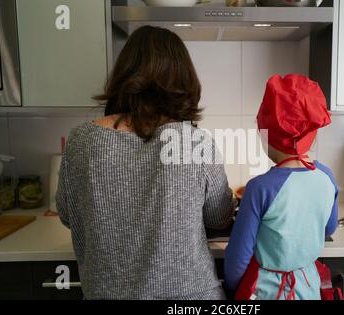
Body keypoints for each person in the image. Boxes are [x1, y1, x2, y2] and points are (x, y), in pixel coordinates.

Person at [56, 26, 234, 300]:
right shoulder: (195, 142)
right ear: (184, 80)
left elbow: (69, 216)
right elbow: (219, 217)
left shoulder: (81, 141)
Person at [224, 74, 338, 300]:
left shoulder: (259, 188)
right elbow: (329, 229)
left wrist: (232, 289)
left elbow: (237, 262)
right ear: (312, 136)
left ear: (266, 135)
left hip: (266, 292)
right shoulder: (327, 176)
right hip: (308, 289)